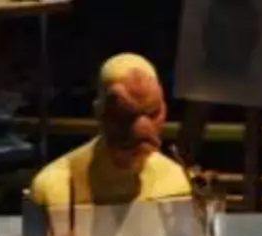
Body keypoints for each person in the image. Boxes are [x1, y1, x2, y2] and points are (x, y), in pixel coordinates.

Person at [28, 54, 191, 210]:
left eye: (153, 113)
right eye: (124, 115)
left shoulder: (175, 182)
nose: (142, 129)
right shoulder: (55, 186)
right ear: (99, 112)